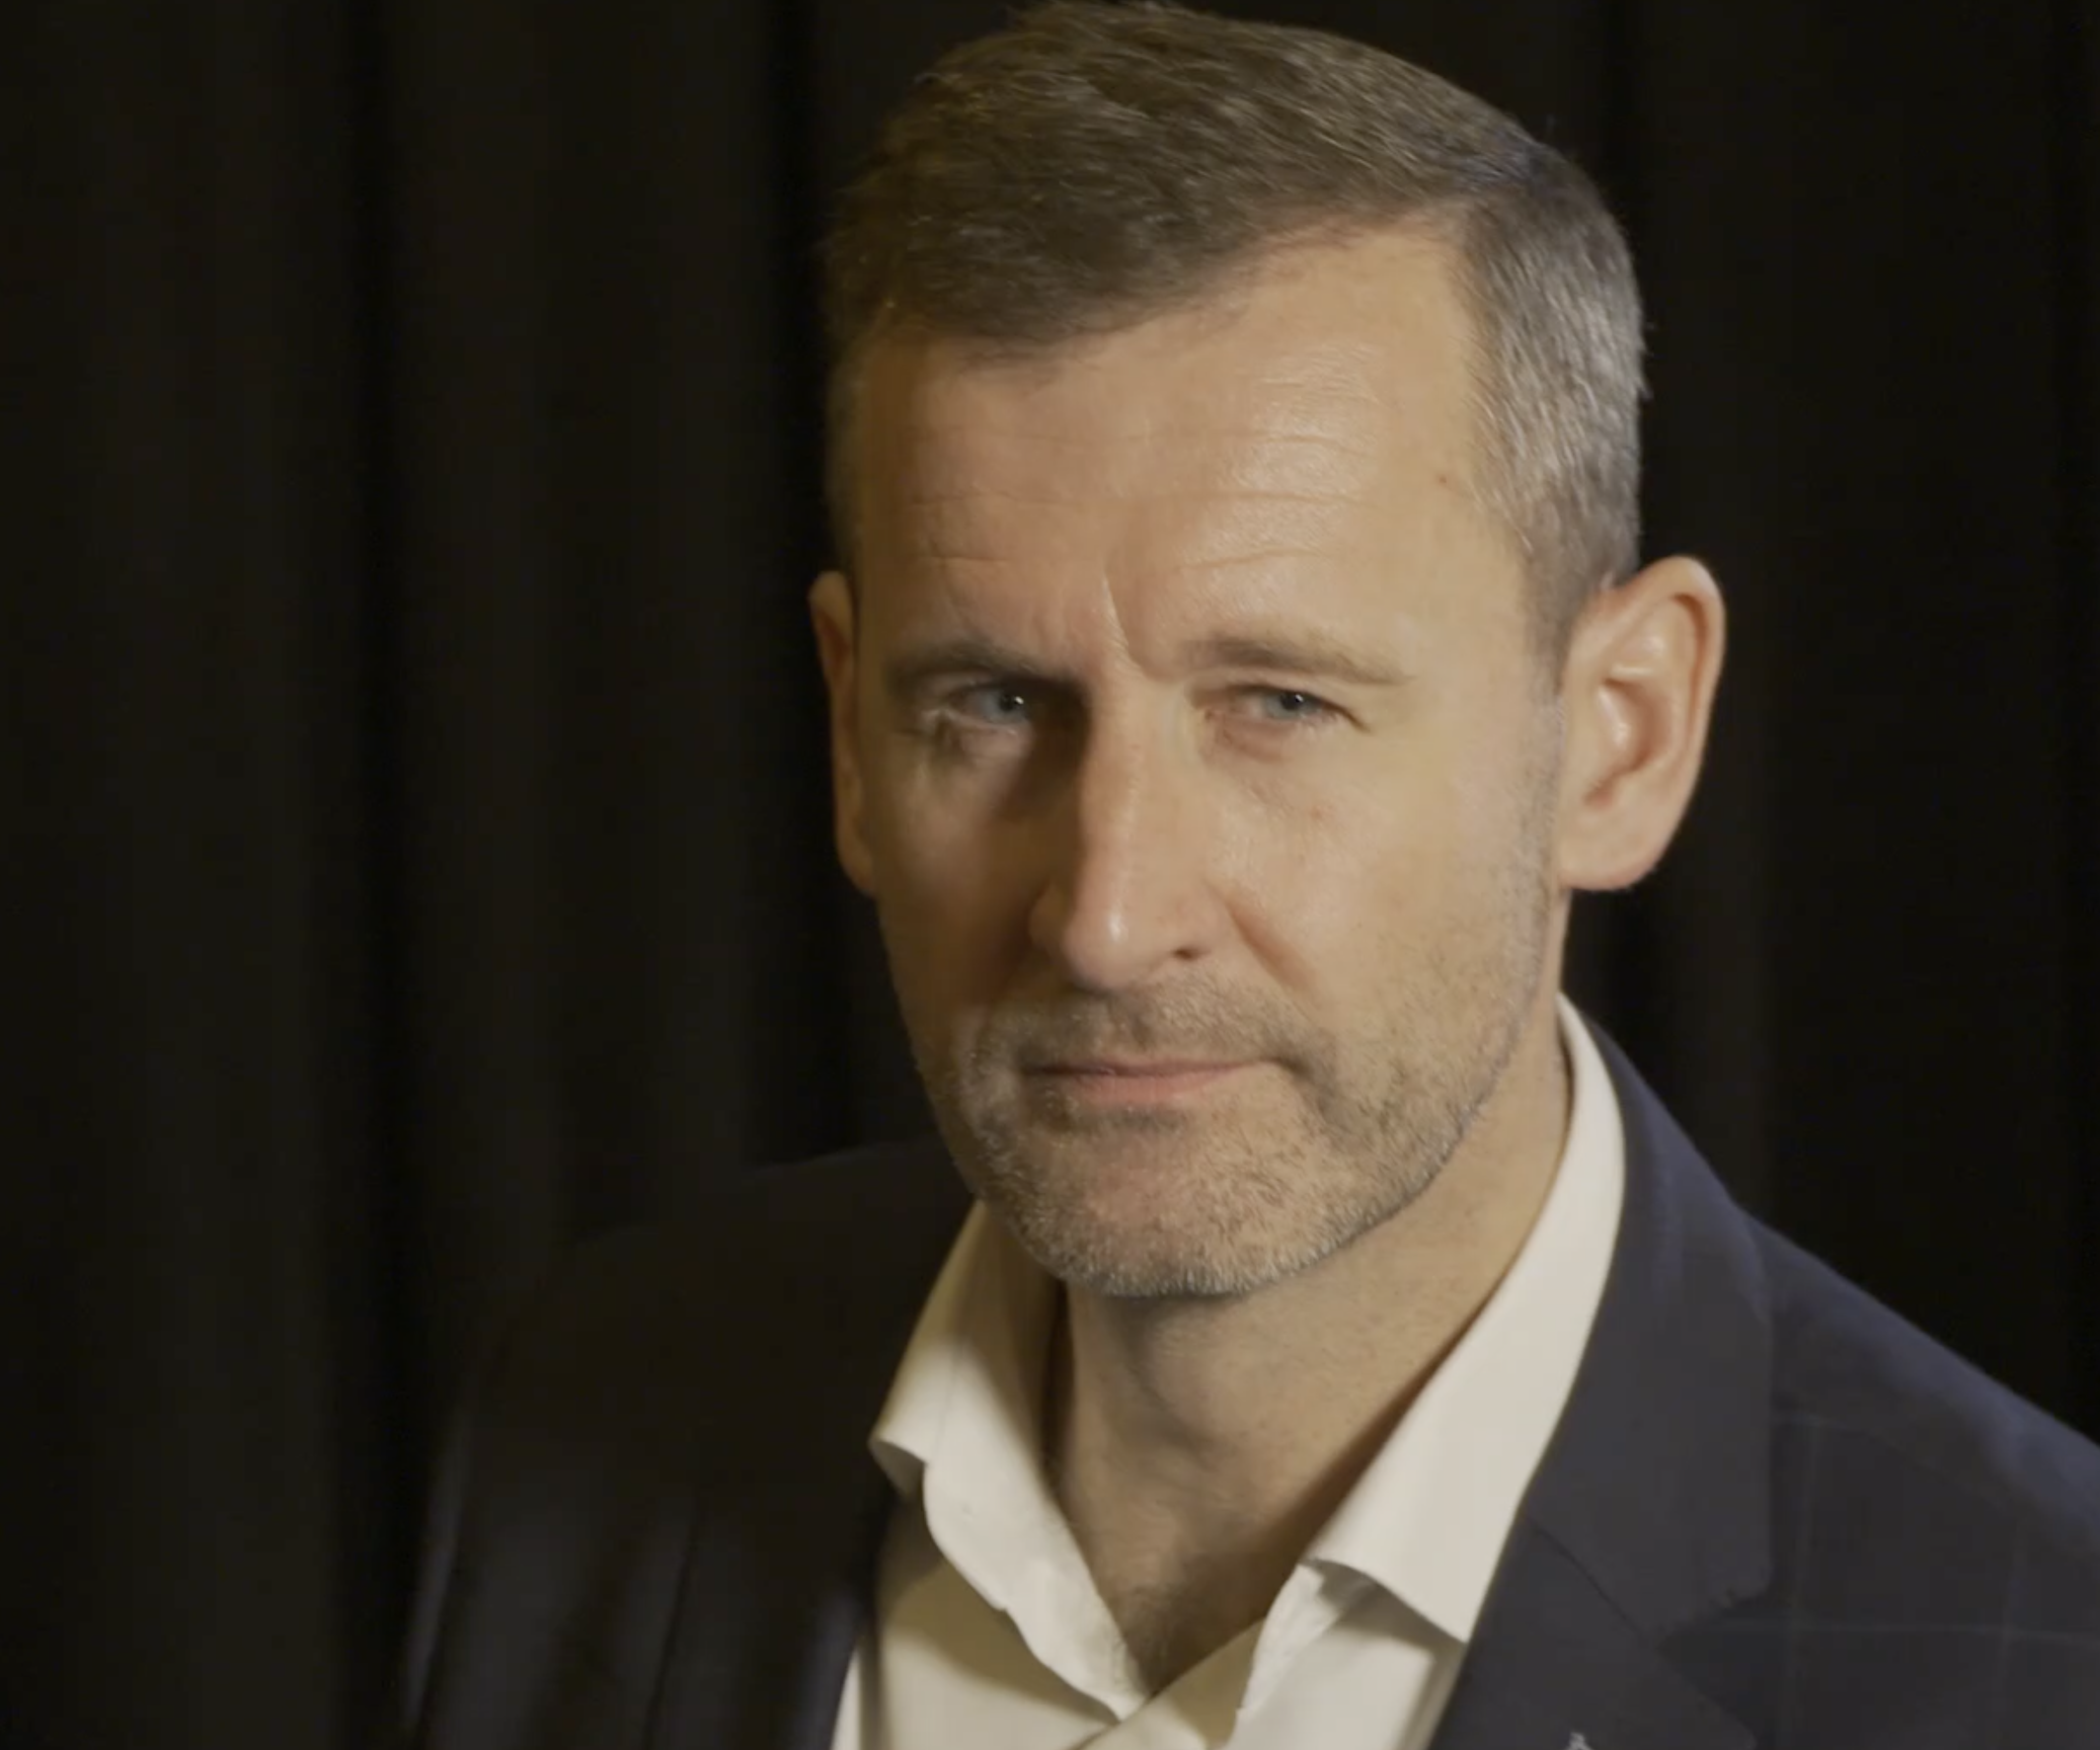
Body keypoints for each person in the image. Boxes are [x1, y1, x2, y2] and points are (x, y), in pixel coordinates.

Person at [396, 4, 2100, 1746]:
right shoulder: (599, 1409)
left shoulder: (2039, 1659)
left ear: (1619, 738)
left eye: (1278, 703)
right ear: (849, 734)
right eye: (993, 705)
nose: (1106, 917)